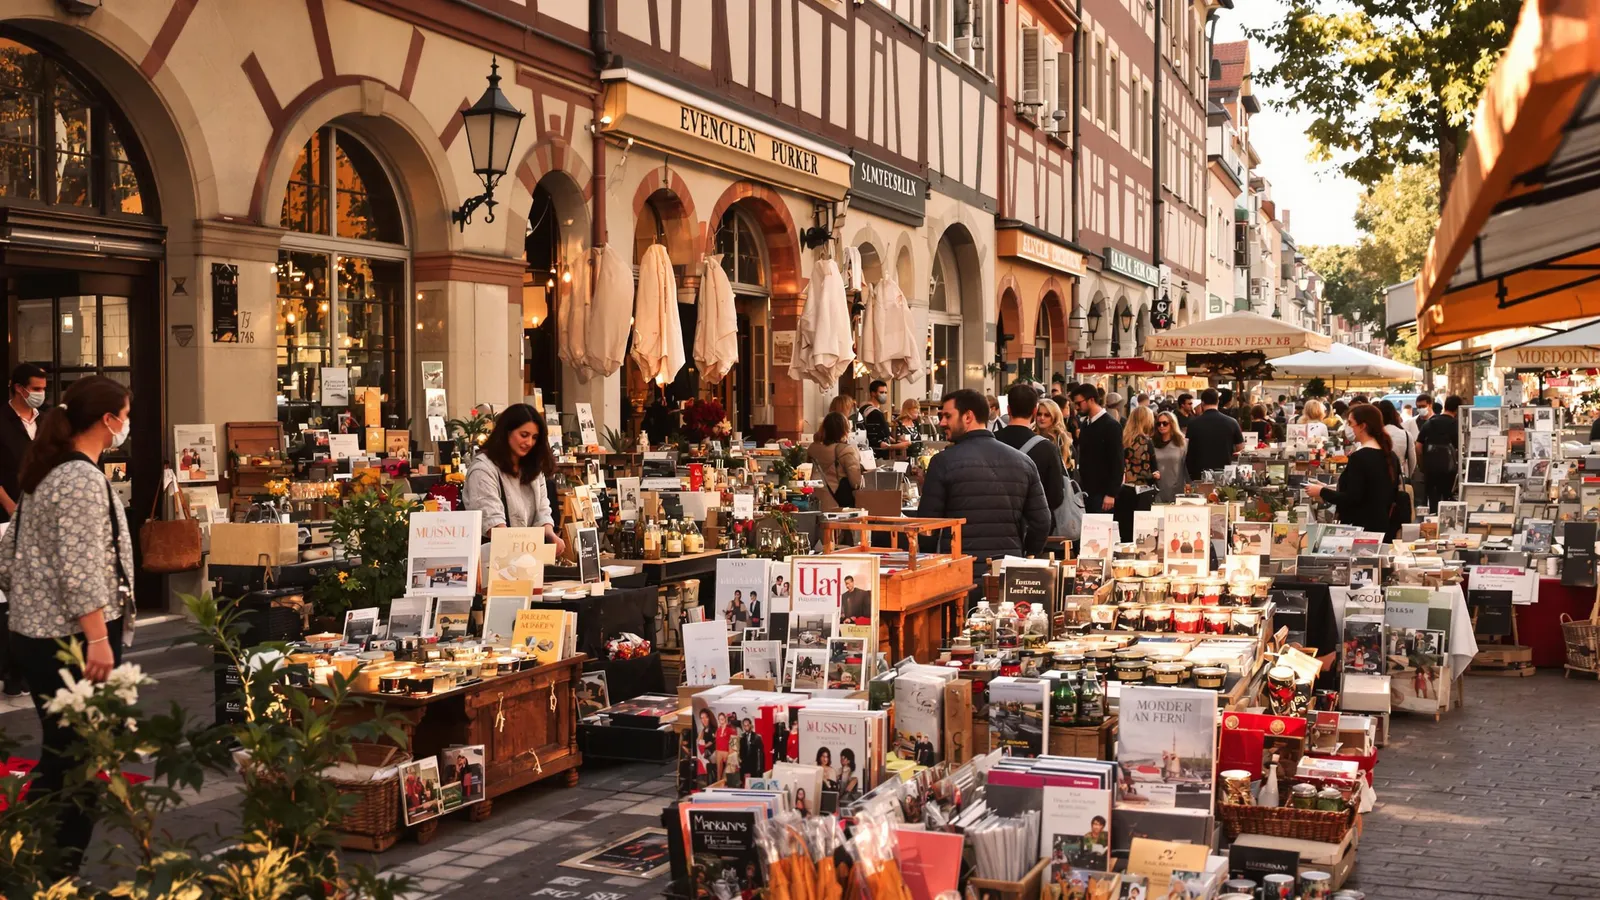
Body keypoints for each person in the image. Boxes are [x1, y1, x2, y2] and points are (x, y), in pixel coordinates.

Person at [0, 376, 136, 877]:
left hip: (39, 634)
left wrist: (32, 600)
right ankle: (53, 871)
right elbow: (81, 568)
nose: (127, 424)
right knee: (80, 759)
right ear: (107, 420)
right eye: (125, 413)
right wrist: (97, 638)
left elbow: (7, 557)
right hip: (73, 641)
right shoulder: (80, 479)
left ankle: (33, 861)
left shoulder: (47, 471)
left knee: (63, 754)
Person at [917, 389, 1050, 561]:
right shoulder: (1024, 462)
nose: (942, 422)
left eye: (947, 416)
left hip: (958, 567)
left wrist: (933, 559)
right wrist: (1027, 553)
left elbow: (927, 526)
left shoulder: (943, 462)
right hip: (1007, 567)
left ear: (968, 417)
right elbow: (1041, 521)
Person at [464, 403, 566, 555]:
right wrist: (521, 550)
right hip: (493, 559)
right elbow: (493, 523)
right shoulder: (483, 469)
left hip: (526, 556)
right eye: (524, 435)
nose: (529, 442)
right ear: (506, 432)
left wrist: (550, 534)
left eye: (534, 437)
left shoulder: (533, 467)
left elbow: (542, 509)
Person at [0, 363, 45, 697]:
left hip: (39, 519)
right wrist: (10, 506)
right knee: (6, 596)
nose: (40, 393)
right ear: (18, 388)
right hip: (5, 518)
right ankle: (9, 670)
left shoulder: (44, 424)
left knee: (32, 595)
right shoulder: (1, 421)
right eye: (35, 387)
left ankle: (26, 667)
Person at [1307, 404, 1399, 537]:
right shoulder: (1390, 455)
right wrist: (1330, 488)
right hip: (1383, 526)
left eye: (1350, 423)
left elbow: (1353, 497)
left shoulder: (1360, 457)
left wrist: (1322, 491)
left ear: (1363, 426)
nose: (1349, 428)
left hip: (1359, 529)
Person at [996, 384, 1065, 530]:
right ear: (1034, 411)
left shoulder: (990, 441)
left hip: (995, 522)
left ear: (1008, 409)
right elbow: (1056, 496)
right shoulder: (1047, 448)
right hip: (1032, 526)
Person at [1071, 384, 1124, 518]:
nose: (1077, 407)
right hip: (1086, 492)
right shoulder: (1085, 425)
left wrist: (1111, 493)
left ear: (1091, 400)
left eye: (1079, 403)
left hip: (1103, 494)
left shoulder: (1111, 426)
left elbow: (1117, 462)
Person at [1183, 389, 1245, 480]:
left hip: (1199, 474)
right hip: (1225, 473)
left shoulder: (1193, 424)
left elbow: (1187, 448)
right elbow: (1241, 448)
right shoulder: (1232, 422)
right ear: (1218, 401)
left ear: (1202, 402)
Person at [1117, 406, 1158, 541]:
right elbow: (1152, 470)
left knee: (1125, 531)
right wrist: (1154, 476)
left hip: (1124, 490)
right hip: (1143, 492)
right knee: (1142, 533)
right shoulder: (1147, 442)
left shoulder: (1123, 440)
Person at [807, 412, 863, 511]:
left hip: (816, 498)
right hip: (838, 503)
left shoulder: (813, 448)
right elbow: (856, 483)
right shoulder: (846, 450)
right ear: (844, 430)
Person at [1416, 394, 1461, 511]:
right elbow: (1460, 447)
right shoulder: (1455, 425)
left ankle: (1431, 522)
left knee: (1432, 499)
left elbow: (1418, 446)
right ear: (1457, 409)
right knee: (1447, 498)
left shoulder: (1430, 423)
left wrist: (1422, 464)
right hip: (1449, 469)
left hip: (1430, 468)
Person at [1151, 410, 1188, 503]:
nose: (1161, 426)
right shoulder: (1152, 443)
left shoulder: (1183, 443)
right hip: (1157, 488)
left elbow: (1187, 466)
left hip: (1178, 488)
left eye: (1165, 423)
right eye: (1158, 424)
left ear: (1172, 424)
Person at [1033, 398, 1074, 475]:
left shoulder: (1063, 440)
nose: (1042, 418)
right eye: (1039, 414)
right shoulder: (1030, 436)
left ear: (1055, 417)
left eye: (1047, 415)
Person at [1378, 399, 1416, 480]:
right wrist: (1408, 476)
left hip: (1379, 477)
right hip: (1400, 477)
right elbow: (1412, 460)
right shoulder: (1406, 434)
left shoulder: (1375, 434)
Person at [859, 380, 894, 449]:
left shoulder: (864, 408)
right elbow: (874, 434)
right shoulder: (874, 412)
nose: (884, 395)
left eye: (885, 392)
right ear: (873, 393)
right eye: (881, 392)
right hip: (876, 450)